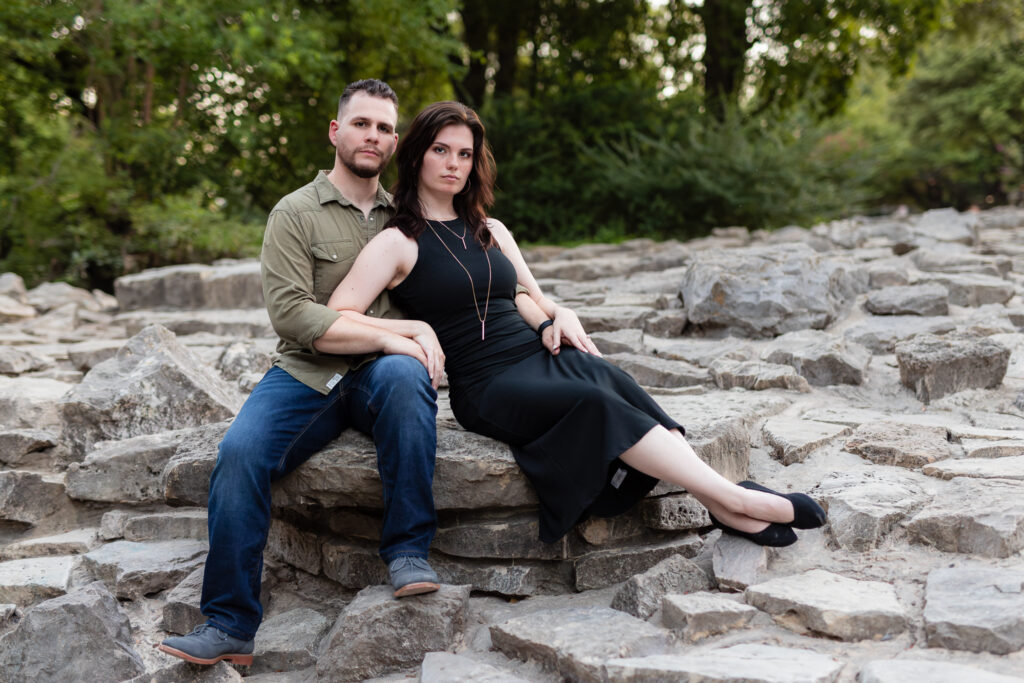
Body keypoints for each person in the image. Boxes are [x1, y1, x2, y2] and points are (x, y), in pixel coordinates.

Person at [327, 100, 827, 553]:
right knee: (595, 404)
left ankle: (722, 504)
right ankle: (734, 498)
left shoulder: (492, 230)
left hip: (534, 352)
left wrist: (559, 315)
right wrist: (412, 330)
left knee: (612, 378)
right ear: (416, 156)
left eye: (464, 153)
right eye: (441, 150)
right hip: (487, 384)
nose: (454, 164)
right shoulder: (397, 242)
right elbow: (339, 311)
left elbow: (529, 297)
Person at [158, 79, 444, 667]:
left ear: (395, 142)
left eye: (385, 128)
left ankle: (409, 553)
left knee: (407, 378)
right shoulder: (295, 212)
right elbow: (292, 315)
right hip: (305, 372)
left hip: (380, 375)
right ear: (336, 131)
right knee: (239, 452)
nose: (374, 136)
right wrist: (403, 331)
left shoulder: (409, 216)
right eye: (362, 124)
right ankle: (230, 624)